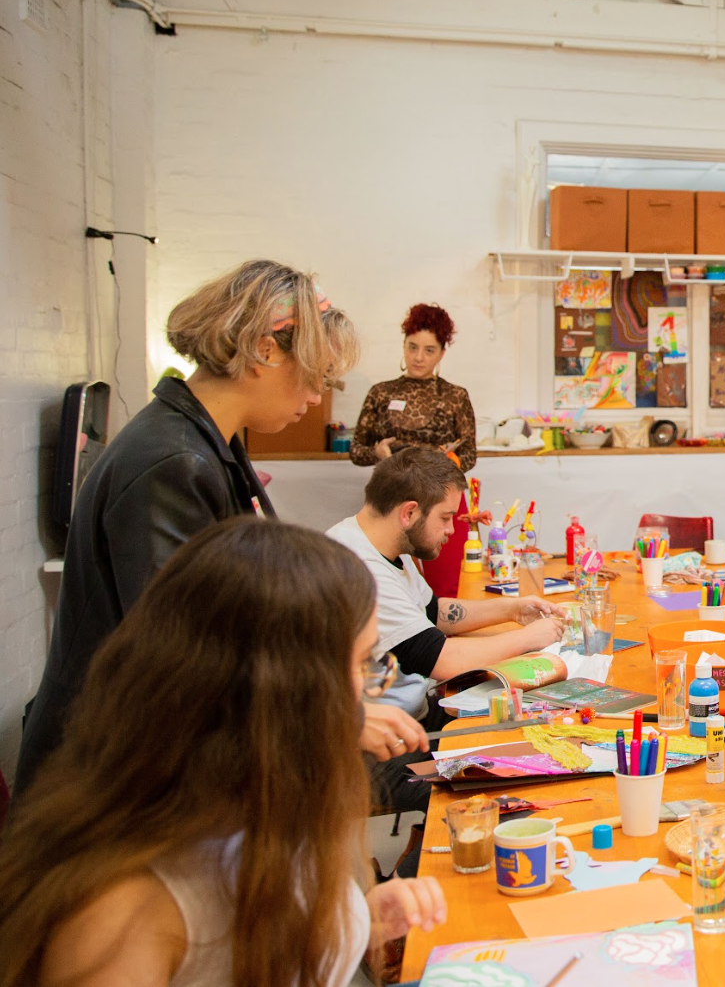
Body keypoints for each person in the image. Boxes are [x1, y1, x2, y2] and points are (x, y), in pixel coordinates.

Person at [16, 260, 422, 795]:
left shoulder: (208, 442)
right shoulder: (172, 463)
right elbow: (188, 660)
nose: (316, 396)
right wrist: (332, 717)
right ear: (264, 349)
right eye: (317, 375)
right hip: (112, 785)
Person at [0, 517, 448, 987]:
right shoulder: (120, 912)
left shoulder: (267, 804)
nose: (366, 694)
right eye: (359, 665)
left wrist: (359, 925)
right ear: (280, 691)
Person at [328, 447, 568, 724]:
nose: (451, 530)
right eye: (445, 517)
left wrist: (512, 609)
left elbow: (434, 612)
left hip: (414, 714)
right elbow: (442, 660)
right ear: (409, 512)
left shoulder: (382, 542)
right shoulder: (359, 569)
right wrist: (529, 638)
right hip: (396, 737)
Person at [348, 303, 479, 597]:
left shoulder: (455, 396)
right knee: (389, 584)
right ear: (404, 345)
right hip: (393, 495)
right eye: (412, 347)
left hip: (442, 497)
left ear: (442, 353)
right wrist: (378, 453)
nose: (418, 357)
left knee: (447, 588)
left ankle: (447, 641)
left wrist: (450, 458)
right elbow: (357, 449)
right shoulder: (381, 393)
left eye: (429, 350)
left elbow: (470, 454)